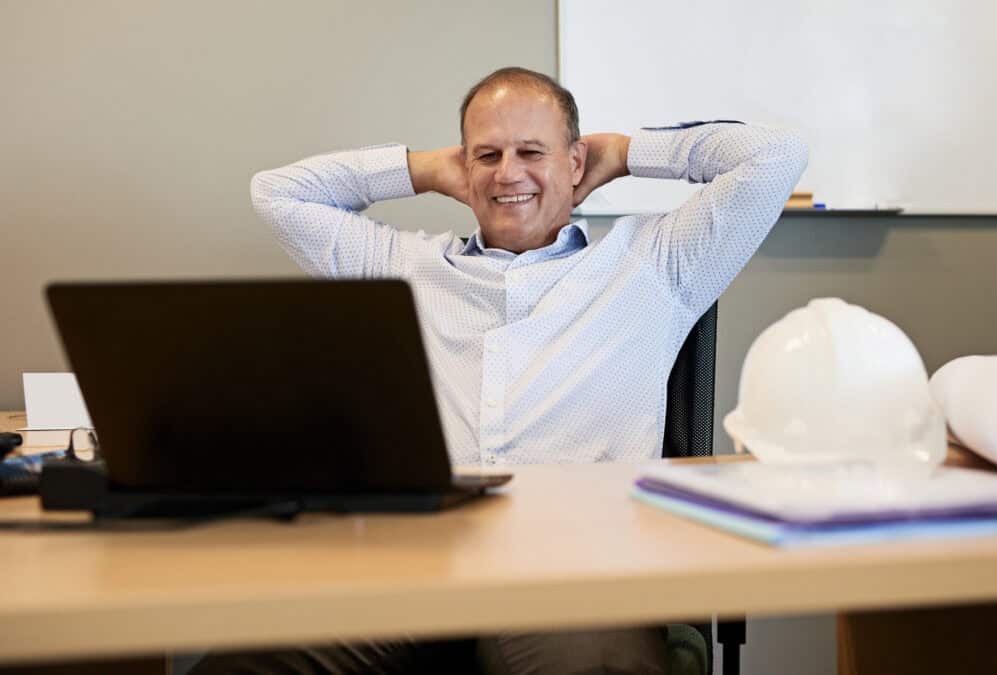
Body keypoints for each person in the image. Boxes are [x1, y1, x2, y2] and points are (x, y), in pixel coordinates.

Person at [194, 67, 807, 674]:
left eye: (532, 152)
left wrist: (624, 154)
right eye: (487, 155)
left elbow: (776, 155)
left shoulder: (655, 264)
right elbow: (277, 194)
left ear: (575, 163)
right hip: (416, 565)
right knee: (248, 664)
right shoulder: (401, 266)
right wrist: (424, 168)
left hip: (574, 568)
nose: (507, 173)